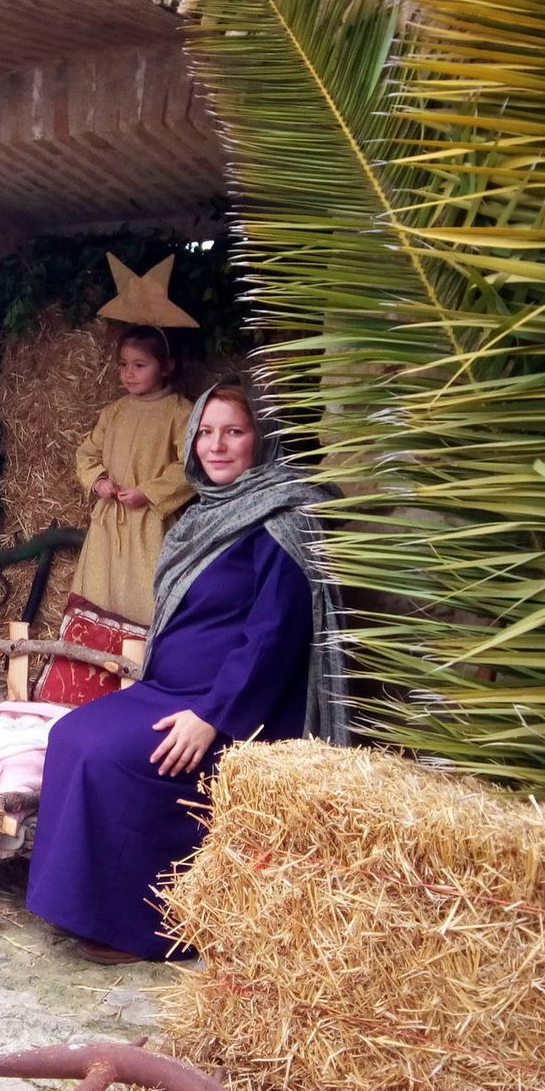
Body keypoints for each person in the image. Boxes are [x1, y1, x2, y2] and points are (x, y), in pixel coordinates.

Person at [25, 378, 349, 963]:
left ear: (262, 439)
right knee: (68, 735)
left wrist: (210, 716)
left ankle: (143, 925)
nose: (217, 446)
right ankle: (86, 906)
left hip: (236, 705)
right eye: (205, 432)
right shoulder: (208, 514)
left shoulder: (282, 520)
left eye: (234, 432)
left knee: (110, 758)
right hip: (171, 688)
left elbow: (271, 637)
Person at [69, 324, 194, 628]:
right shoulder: (115, 411)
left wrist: (149, 492)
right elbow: (87, 453)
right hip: (109, 524)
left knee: (144, 596)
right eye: (123, 365)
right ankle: (94, 663)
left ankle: (139, 663)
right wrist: (98, 481)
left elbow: (190, 465)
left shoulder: (181, 413)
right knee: (101, 590)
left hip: (151, 524)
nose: (129, 373)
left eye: (140, 365)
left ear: (167, 366)